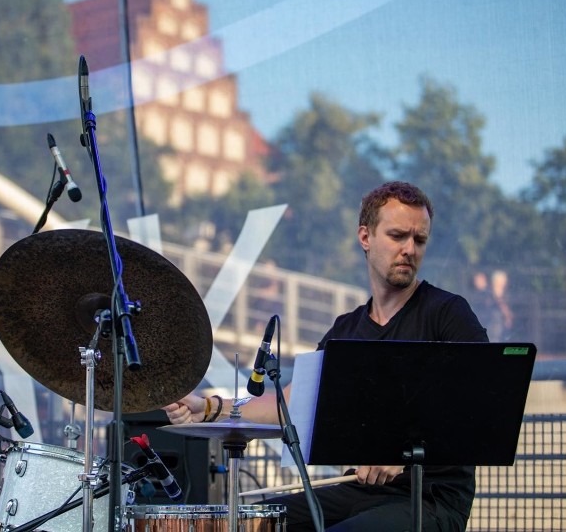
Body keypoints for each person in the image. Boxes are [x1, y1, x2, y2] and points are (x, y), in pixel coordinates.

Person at [164, 181, 488, 531]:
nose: (410, 249)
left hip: (431, 499)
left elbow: (480, 401)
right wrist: (211, 408)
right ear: (365, 237)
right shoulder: (345, 331)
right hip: (360, 491)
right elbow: (293, 403)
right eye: (397, 236)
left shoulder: (448, 314)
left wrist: (404, 451)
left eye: (419, 240)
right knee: (257, 523)